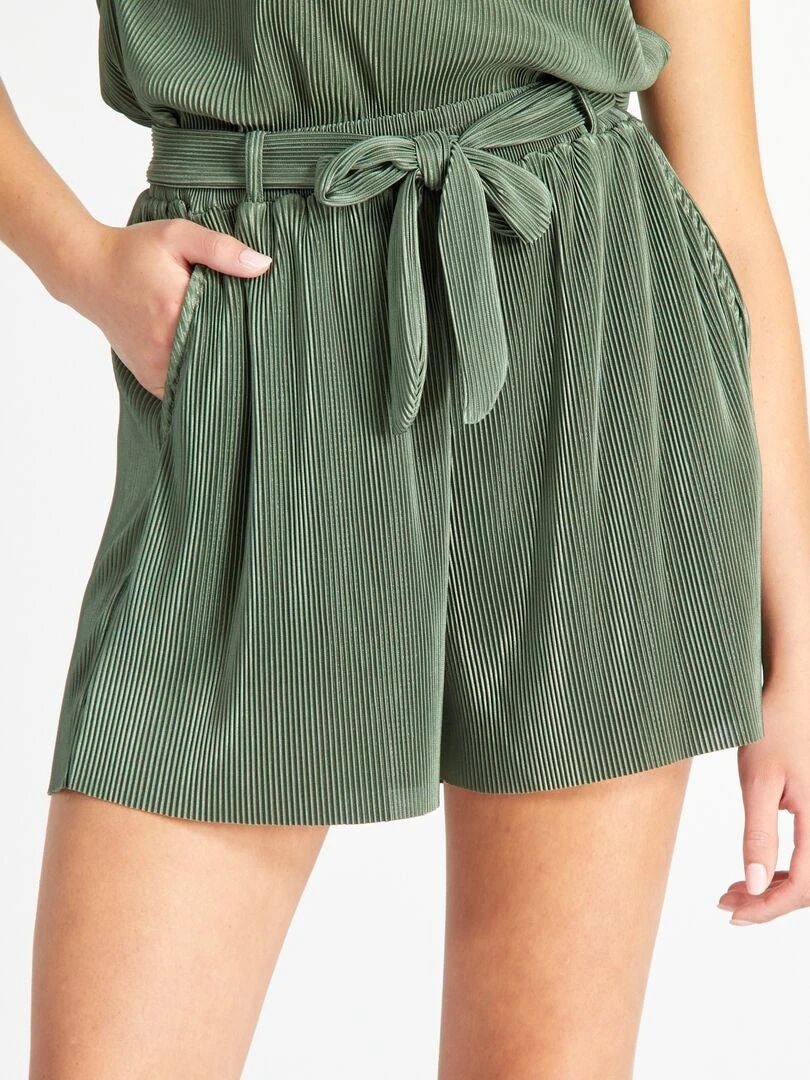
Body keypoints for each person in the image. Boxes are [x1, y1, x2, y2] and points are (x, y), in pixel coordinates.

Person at [3, 0, 808, 1075]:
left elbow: (727, 196)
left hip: (588, 333)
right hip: (261, 326)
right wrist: (79, 263)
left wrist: (799, 645)